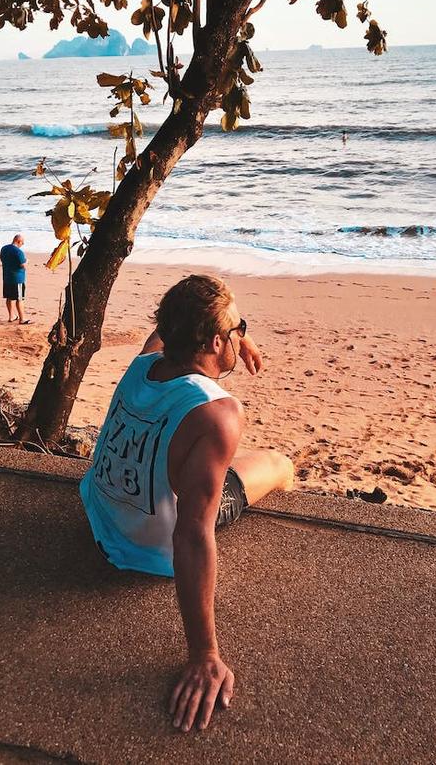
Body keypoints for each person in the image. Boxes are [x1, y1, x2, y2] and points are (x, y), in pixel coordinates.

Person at [79, 274, 294, 732]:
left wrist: (239, 333)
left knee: (199, 459)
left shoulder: (145, 362)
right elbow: (193, 533)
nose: (242, 335)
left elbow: (173, 320)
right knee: (276, 464)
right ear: (217, 341)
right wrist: (204, 655)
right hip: (147, 550)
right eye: (239, 328)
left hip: (102, 512)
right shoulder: (219, 412)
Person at [0, 234, 29, 324]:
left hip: (7, 277)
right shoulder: (18, 252)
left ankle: (11, 315)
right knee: (19, 299)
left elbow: (2, 259)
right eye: (22, 243)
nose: (22, 245)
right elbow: (23, 265)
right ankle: (22, 318)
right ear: (18, 241)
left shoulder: (4, 248)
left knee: (9, 297)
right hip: (17, 278)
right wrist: (27, 261)